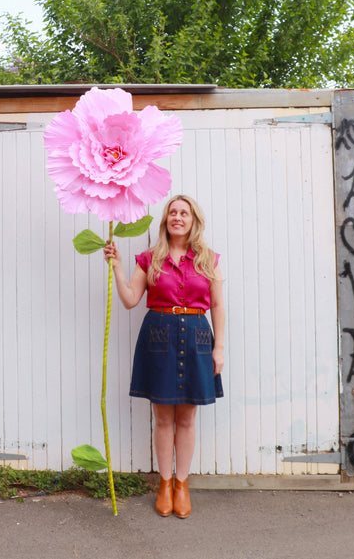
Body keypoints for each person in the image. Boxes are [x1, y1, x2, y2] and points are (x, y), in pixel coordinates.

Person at [103, 194, 225, 518]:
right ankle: (164, 483)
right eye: (173, 212)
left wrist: (220, 347)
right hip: (159, 337)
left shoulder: (208, 260)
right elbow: (130, 299)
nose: (178, 217)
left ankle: (182, 485)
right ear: (165, 220)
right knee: (163, 418)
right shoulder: (149, 259)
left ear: (193, 220)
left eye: (184, 213)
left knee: (186, 418)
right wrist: (116, 266)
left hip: (197, 339)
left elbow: (217, 306)